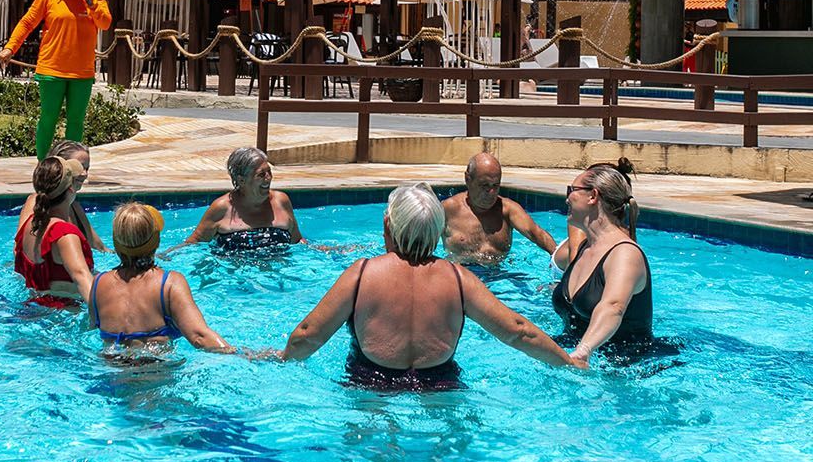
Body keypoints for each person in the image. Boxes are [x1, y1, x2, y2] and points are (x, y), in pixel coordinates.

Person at [281, 183, 582, 389]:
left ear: (388, 225)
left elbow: (308, 335)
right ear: (438, 230)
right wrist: (567, 361)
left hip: (368, 384)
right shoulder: (458, 278)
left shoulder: (362, 274)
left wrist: (281, 357)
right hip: (440, 384)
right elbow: (518, 331)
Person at [0, 0, 112, 160]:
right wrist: (10, 48)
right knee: (48, 118)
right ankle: (44, 164)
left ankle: (71, 165)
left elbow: (105, 23)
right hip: (52, 69)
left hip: (81, 71)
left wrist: (90, 3)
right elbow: (27, 23)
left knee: (76, 121)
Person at [81, 202, 234, 355]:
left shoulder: (98, 284)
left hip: (110, 367)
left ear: (116, 243)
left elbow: (92, 328)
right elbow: (199, 337)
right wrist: (237, 353)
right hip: (156, 367)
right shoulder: (169, 283)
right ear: (157, 241)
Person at [551, 158, 656, 362]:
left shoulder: (625, 253)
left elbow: (613, 307)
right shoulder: (585, 248)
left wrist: (583, 351)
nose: (567, 199)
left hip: (625, 369)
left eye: (572, 190)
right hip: (582, 357)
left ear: (593, 196)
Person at [169, 146, 302, 255]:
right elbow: (194, 243)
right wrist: (165, 256)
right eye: (261, 174)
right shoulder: (222, 207)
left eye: (269, 172)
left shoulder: (281, 201)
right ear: (241, 180)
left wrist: (314, 252)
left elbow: (297, 240)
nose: (268, 178)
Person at [442, 153, 556, 267]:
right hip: (460, 273)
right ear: (468, 179)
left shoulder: (508, 209)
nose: (491, 192)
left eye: (495, 185)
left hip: (500, 274)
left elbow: (536, 233)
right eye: (485, 185)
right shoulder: (448, 209)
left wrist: (557, 259)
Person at [13, 155, 95, 305]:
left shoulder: (29, 224)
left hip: (31, 307)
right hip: (66, 313)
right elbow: (81, 278)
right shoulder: (64, 234)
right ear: (71, 189)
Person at [13, 138, 110, 255]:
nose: (84, 174)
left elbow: (100, 247)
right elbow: (19, 250)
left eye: (87, 168)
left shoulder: (74, 206)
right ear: (58, 167)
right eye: (78, 167)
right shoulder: (35, 202)